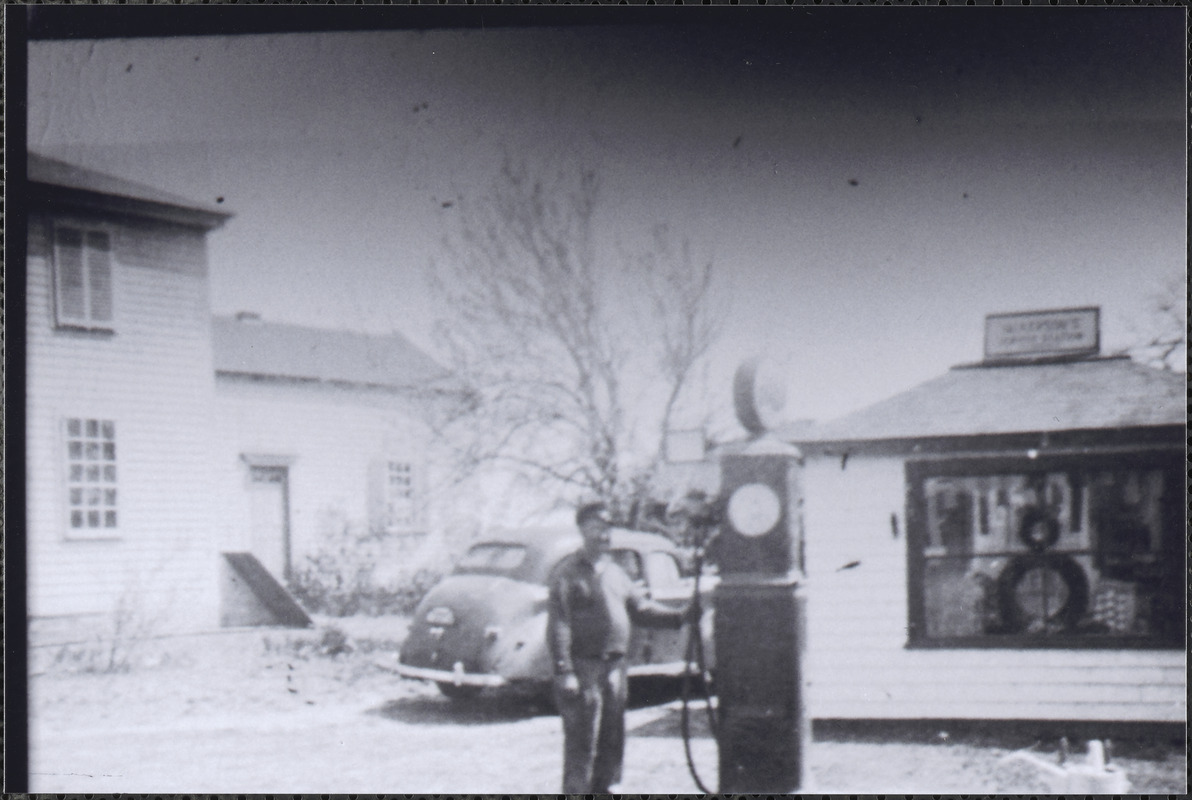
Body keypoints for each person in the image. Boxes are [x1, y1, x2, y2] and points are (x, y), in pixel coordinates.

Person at [547, 502, 697, 794]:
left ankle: (606, 789)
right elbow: (559, 623)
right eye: (596, 528)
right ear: (582, 530)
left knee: (612, 737)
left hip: (615, 666)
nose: (603, 536)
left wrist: (680, 616)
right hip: (584, 667)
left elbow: (641, 609)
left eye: (607, 529)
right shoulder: (567, 573)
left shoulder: (616, 573)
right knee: (582, 742)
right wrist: (564, 671)